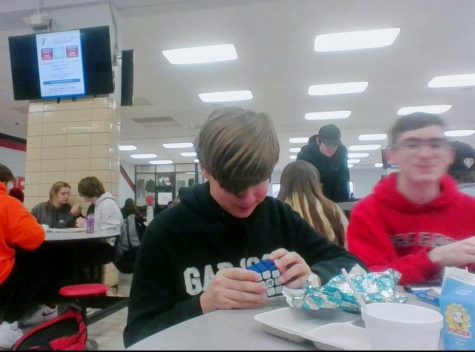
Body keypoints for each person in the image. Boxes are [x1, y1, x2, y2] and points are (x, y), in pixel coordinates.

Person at [124, 107, 362, 347]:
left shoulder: (278, 216)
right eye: (234, 188)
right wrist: (203, 304)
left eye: (259, 182)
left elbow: (352, 265)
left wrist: (314, 277)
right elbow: (136, 335)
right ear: (205, 170)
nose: (249, 199)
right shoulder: (166, 231)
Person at [347, 113, 475, 286]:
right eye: (412, 145)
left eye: (435, 144)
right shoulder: (367, 212)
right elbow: (367, 281)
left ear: (449, 155)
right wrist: (432, 258)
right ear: (391, 156)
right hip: (388, 312)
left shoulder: (470, 210)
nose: (425, 154)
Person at [0, 164, 46, 348]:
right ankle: (9, 325)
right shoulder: (8, 203)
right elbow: (34, 237)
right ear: (4, 181)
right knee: (37, 264)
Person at [277, 160, 348, 247]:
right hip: (330, 259)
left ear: (284, 184)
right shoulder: (332, 208)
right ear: (315, 182)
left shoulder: (275, 211)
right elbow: (349, 245)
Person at [297, 124, 350, 202]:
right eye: (327, 144)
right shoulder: (306, 153)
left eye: (334, 145)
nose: (331, 148)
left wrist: (341, 204)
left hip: (333, 193)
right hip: (310, 195)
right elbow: (300, 181)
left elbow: (343, 179)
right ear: (318, 141)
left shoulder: (341, 152)